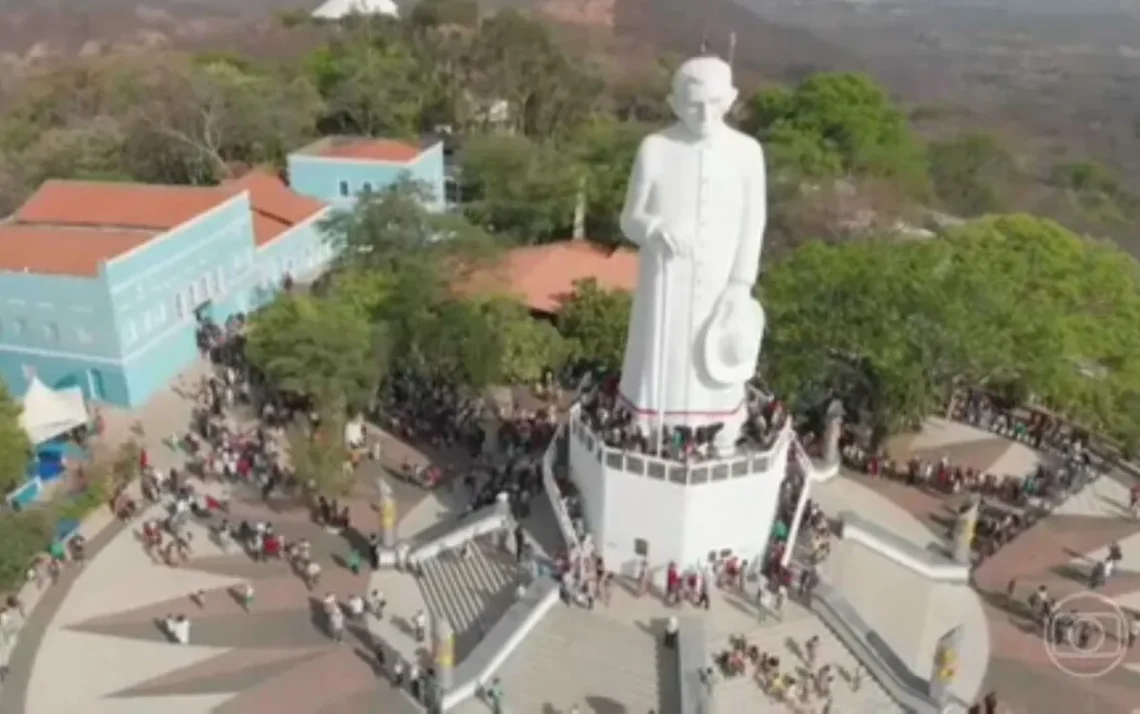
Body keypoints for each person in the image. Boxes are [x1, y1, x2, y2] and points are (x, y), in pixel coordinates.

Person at [616, 54, 767, 456]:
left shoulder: (748, 152)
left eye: (714, 103)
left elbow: (754, 223)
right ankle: (651, 436)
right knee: (664, 358)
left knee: (717, 365)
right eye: (693, 104)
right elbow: (629, 219)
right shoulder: (655, 148)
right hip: (666, 280)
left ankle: (721, 436)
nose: (704, 114)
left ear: (732, 98)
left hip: (722, 284)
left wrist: (740, 284)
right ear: (674, 103)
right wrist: (654, 229)